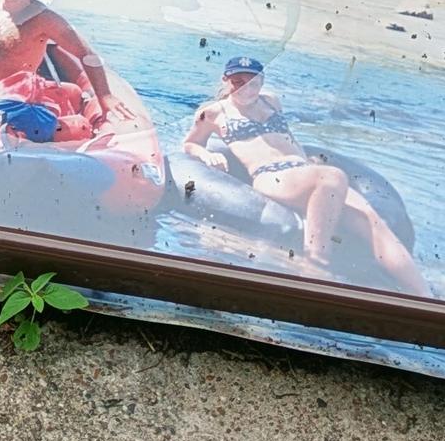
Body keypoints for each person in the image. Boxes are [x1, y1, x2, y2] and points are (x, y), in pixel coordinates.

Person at [180, 58, 428, 290]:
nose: (246, 88)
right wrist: (207, 155)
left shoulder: (271, 101)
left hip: (303, 171)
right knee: (332, 176)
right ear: (226, 80)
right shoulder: (213, 113)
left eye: (253, 82)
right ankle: (314, 265)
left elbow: (288, 138)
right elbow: (190, 144)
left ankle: (423, 297)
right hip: (271, 176)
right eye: (238, 82)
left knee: (372, 222)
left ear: (262, 81)